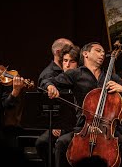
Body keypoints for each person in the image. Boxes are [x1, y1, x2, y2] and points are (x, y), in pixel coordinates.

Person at [41, 42, 122, 167]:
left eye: (103, 52)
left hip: (108, 131)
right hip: (83, 128)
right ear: (86, 54)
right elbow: (46, 81)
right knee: (61, 143)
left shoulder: (111, 77)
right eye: (98, 51)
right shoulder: (75, 74)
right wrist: (50, 86)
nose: (102, 54)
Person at [35, 38, 80, 167]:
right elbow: (45, 84)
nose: (67, 64)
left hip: (78, 123)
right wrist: (49, 86)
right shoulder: (51, 74)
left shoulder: (80, 74)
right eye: (65, 60)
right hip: (62, 122)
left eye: (71, 61)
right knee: (43, 142)